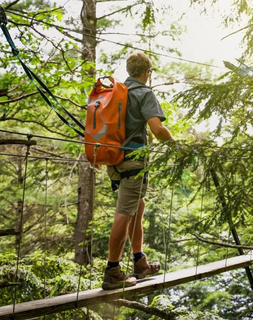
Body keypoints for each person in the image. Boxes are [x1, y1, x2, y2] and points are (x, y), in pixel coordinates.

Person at [102, 52, 174, 290]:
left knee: (138, 206)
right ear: (147, 72)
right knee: (124, 212)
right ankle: (112, 271)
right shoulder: (144, 93)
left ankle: (139, 261)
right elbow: (157, 128)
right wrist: (176, 147)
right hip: (133, 161)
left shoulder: (117, 92)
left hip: (114, 159)